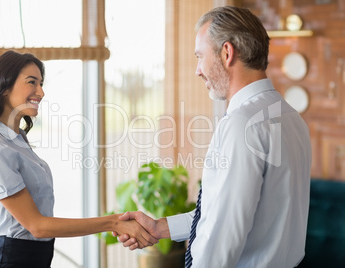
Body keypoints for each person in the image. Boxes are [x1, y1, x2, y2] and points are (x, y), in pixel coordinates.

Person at [115, 6, 312, 268]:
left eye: (200, 56)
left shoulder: (242, 125)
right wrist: (160, 228)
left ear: (227, 53)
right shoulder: (291, 117)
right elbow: (223, 212)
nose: (198, 70)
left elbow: (223, 236)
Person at [0, 50, 158, 268]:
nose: (41, 92)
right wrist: (113, 222)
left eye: (41, 83)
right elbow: (37, 226)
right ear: (4, 86)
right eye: (32, 82)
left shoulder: (16, 139)